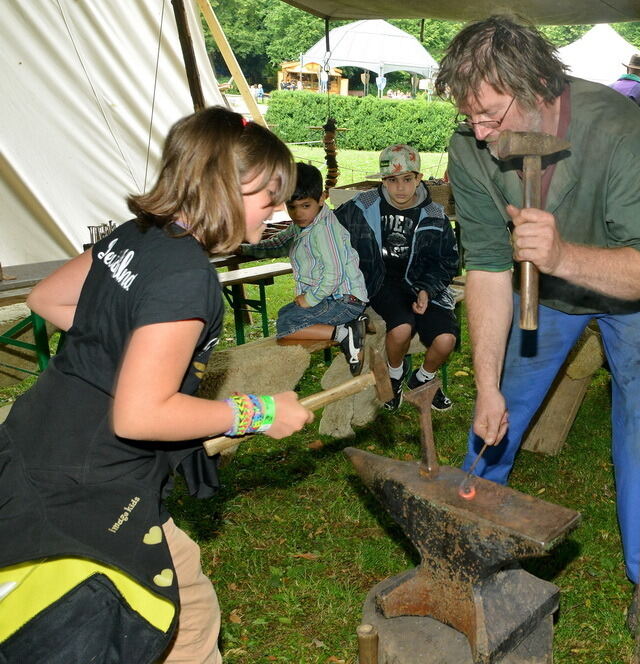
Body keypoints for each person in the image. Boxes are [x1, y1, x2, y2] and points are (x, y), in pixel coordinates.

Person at [0, 107, 313, 662]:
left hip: (35, 439)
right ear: (226, 190)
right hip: (91, 484)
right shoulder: (188, 278)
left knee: (186, 603)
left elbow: (47, 299)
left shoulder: (137, 234)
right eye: (270, 200)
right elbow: (140, 416)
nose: (280, 214)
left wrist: (136, 353)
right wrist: (258, 413)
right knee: (180, 622)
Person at [435, 15, 640, 633]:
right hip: (545, 291)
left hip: (632, 286)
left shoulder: (614, 125)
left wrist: (560, 257)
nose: (477, 130)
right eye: (468, 115)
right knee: (501, 411)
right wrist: (486, 382)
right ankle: (467, 549)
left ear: (534, 88)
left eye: (491, 115)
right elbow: (486, 266)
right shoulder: (471, 145)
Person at [336, 144, 460, 412]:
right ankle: (395, 376)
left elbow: (448, 261)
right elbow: (328, 232)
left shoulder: (435, 215)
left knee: (446, 340)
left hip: (422, 284)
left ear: (419, 178)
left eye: (407, 179)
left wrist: (427, 289)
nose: (400, 187)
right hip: (382, 282)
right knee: (401, 327)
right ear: (383, 180)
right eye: (392, 180)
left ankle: (422, 379)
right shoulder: (362, 206)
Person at [238, 162, 368, 375]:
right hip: (335, 299)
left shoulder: (324, 231)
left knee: (287, 326)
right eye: (292, 207)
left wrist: (311, 299)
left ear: (321, 198)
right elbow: (280, 243)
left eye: (305, 206)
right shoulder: (303, 225)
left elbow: (334, 274)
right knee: (286, 314)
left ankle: (344, 333)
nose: (298, 214)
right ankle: (350, 325)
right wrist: (245, 249)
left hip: (344, 300)